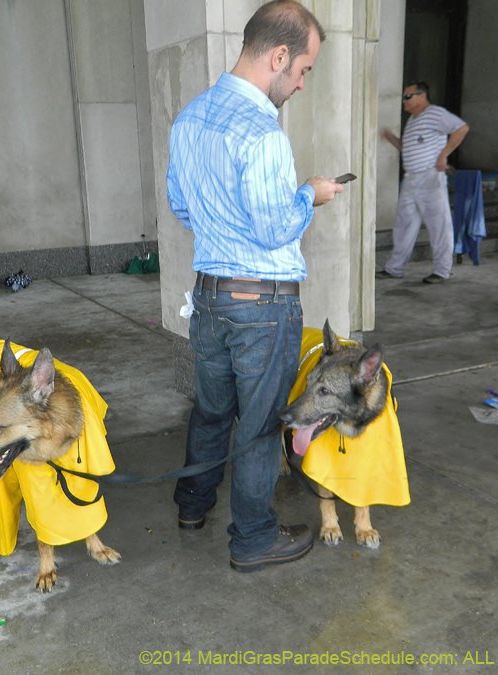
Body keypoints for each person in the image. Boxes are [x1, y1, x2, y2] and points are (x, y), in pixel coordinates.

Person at [166, 0, 344, 572]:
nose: (300, 84)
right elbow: (274, 229)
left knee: (213, 411)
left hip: (211, 297)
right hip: (262, 306)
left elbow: (182, 206)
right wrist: (309, 195)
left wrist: (223, 232)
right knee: (262, 424)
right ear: (279, 55)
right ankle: (253, 537)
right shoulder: (262, 133)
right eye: (303, 71)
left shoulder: (190, 117)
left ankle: (192, 505)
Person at [378, 82, 469, 283]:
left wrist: (443, 155)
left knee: (439, 225)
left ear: (422, 96)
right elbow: (407, 148)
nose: (404, 101)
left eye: (408, 97)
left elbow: (461, 128)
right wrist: (391, 138)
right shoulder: (412, 120)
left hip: (429, 178)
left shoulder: (436, 114)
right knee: (404, 225)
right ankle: (394, 268)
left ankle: (442, 270)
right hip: (411, 179)